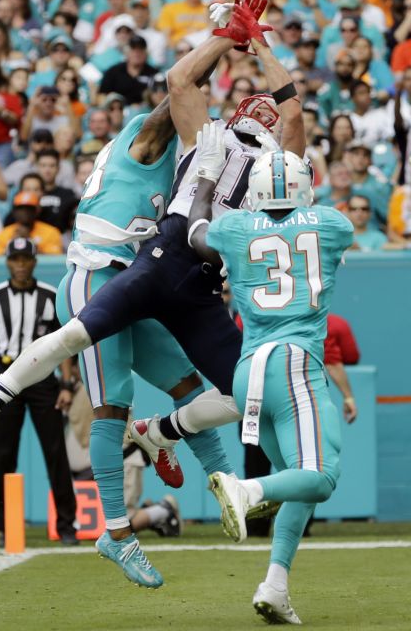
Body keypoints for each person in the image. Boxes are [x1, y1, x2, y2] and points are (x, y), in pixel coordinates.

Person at [0, 0, 288, 588]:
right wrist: (226, 38)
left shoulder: (209, 153)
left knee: (191, 383)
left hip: (150, 279)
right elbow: (178, 93)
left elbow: (204, 106)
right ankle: (116, 530)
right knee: (110, 404)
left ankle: (192, 460)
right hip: (99, 271)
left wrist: (245, 49)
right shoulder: (147, 137)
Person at [143, 128, 353, 624]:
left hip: (248, 368)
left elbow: (195, 231)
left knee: (297, 483)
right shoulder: (332, 224)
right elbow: (316, 234)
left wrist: (206, 178)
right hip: (296, 360)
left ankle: (275, 585)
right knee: (321, 477)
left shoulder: (236, 228)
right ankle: (247, 490)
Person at [0, 238, 80, 546]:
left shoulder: (50, 295)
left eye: (25, 258)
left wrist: (67, 383)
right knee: (2, 455)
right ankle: (7, 527)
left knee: (55, 452)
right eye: (15, 258)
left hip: (43, 379)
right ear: (7, 261)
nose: (20, 264)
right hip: (4, 377)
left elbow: (66, 343)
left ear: (34, 261)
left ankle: (67, 525)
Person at [0, 191, 64, 255]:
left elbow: (54, 261)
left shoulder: (51, 232)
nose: (25, 212)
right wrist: (13, 245)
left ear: (36, 211)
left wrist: (29, 241)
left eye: (29, 208)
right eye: (21, 208)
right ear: (14, 212)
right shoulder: (3, 234)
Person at [99, 35, 159, 106]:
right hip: (119, 112)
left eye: (140, 49)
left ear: (146, 53)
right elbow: (101, 96)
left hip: (146, 113)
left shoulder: (154, 74)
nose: (137, 53)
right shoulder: (113, 72)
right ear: (127, 53)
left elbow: (160, 98)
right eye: (133, 49)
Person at [33, 148, 79, 234]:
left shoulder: (68, 195)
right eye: (43, 165)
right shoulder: (28, 193)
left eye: (52, 165)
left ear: (58, 168)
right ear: (37, 167)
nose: (47, 170)